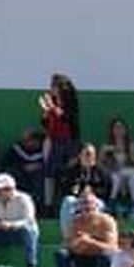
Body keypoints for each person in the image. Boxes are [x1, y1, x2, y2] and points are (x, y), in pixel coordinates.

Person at [62, 191, 119, 267]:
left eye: (90, 203)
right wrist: (77, 244)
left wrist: (90, 241)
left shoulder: (106, 221)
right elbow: (68, 244)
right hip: (82, 255)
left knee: (106, 257)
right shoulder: (75, 221)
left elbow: (112, 247)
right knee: (61, 255)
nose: (87, 206)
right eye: (84, 203)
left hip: (100, 256)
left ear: (96, 205)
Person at [38, 74, 80, 207]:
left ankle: (68, 202)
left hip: (68, 140)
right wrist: (45, 111)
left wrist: (52, 107)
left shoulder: (70, 102)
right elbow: (45, 123)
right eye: (52, 86)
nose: (52, 89)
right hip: (53, 140)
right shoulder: (52, 101)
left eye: (55, 86)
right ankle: (48, 204)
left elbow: (67, 119)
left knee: (68, 172)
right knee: (49, 173)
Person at [0, 172, 40, 267]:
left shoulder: (24, 199)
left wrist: (11, 225)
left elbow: (28, 219)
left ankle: (31, 264)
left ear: (10, 189)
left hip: (19, 232)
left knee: (29, 231)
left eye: (1, 189)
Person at [56, 142, 110, 235]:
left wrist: (92, 192)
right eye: (87, 154)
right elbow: (65, 188)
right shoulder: (72, 170)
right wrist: (79, 192)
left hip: (95, 199)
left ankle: (95, 235)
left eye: (92, 154)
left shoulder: (100, 171)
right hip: (78, 199)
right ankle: (68, 236)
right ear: (80, 155)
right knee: (67, 201)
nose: (90, 157)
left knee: (98, 205)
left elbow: (106, 189)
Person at [101, 117, 134, 215]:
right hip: (112, 173)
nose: (118, 130)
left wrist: (131, 152)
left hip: (128, 171)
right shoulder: (106, 146)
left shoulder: (131, 144)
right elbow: (99, 162)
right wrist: (106, 169)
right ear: (112, 130)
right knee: (116, 178)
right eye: (116, 127)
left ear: (125, 130)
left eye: (121, 127)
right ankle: (112, 202)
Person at [5, 128, 48, 206]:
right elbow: (7, 164)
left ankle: (38, 205)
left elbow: (51, 164)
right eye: (24, 141)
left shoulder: (45, 150)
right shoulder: (16, 149)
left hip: (37, 178)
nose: (25, 143)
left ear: (37, 141)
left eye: (28, 141)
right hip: (20, 176)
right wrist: (23, 168)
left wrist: (39, 166)